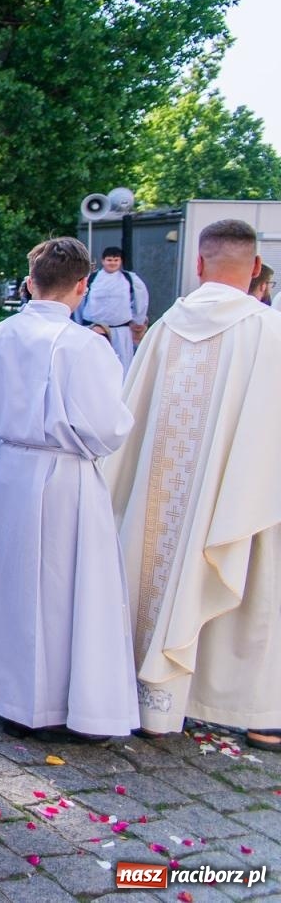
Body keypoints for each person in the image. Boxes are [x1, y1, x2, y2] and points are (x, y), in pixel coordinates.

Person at [105, 219, 281, 749]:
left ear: (199, 264)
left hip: (160, 506)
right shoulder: (268, 331)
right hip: (239, 496)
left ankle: (152, 696)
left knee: (153, 559)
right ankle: (252, 707)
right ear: (255, 270)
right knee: (252, 580)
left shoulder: (164, 327)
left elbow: (126, 422)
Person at [0, 237, 138, 740]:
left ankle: (2, 692)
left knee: (11, 581)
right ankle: (62, 702)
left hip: (12, 470)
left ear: (30, 282)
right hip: (67, 473)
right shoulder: (87, 346)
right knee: (64, 587)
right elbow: (110, 427)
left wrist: (2, 448)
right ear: (82, 286)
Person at [76, 246, 149, 376]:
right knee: (92, 365)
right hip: (94, 329)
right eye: (109, 260)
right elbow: (81, 301)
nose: (112, 263)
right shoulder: (92, 279)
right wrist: (78, 322)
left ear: (120, 261)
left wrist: (139, 319)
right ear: (103, 261)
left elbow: (141, 299)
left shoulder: (129, 279)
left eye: (116, 260)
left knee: (121, 366)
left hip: (120, 332)